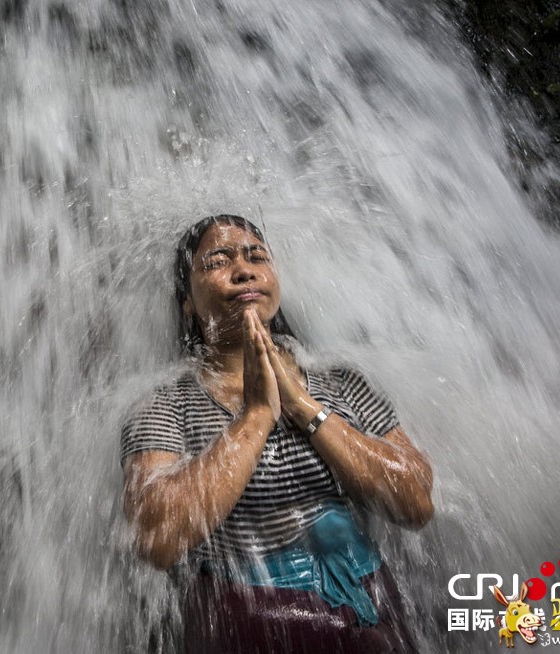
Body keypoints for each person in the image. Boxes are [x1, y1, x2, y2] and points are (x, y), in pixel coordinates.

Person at [120, 214, 434, 653]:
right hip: (246, 628)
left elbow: (416, 502)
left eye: (256, 256)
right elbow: (156, 538)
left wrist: (305, 408)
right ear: (188, 302)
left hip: (380, 619)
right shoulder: (165, 404)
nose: (244, 269)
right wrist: (256, 416)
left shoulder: (344, 382)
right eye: (218, 260)